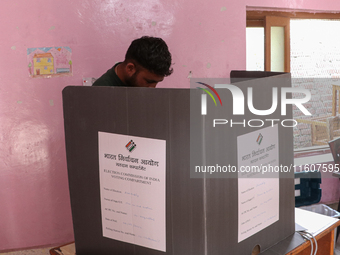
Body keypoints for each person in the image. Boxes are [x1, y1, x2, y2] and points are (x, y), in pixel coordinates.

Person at [92, 36, 173, 88]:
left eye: (156, 82)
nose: (152, 88)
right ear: (130, 68)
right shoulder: (101, 92)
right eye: (149, 82)